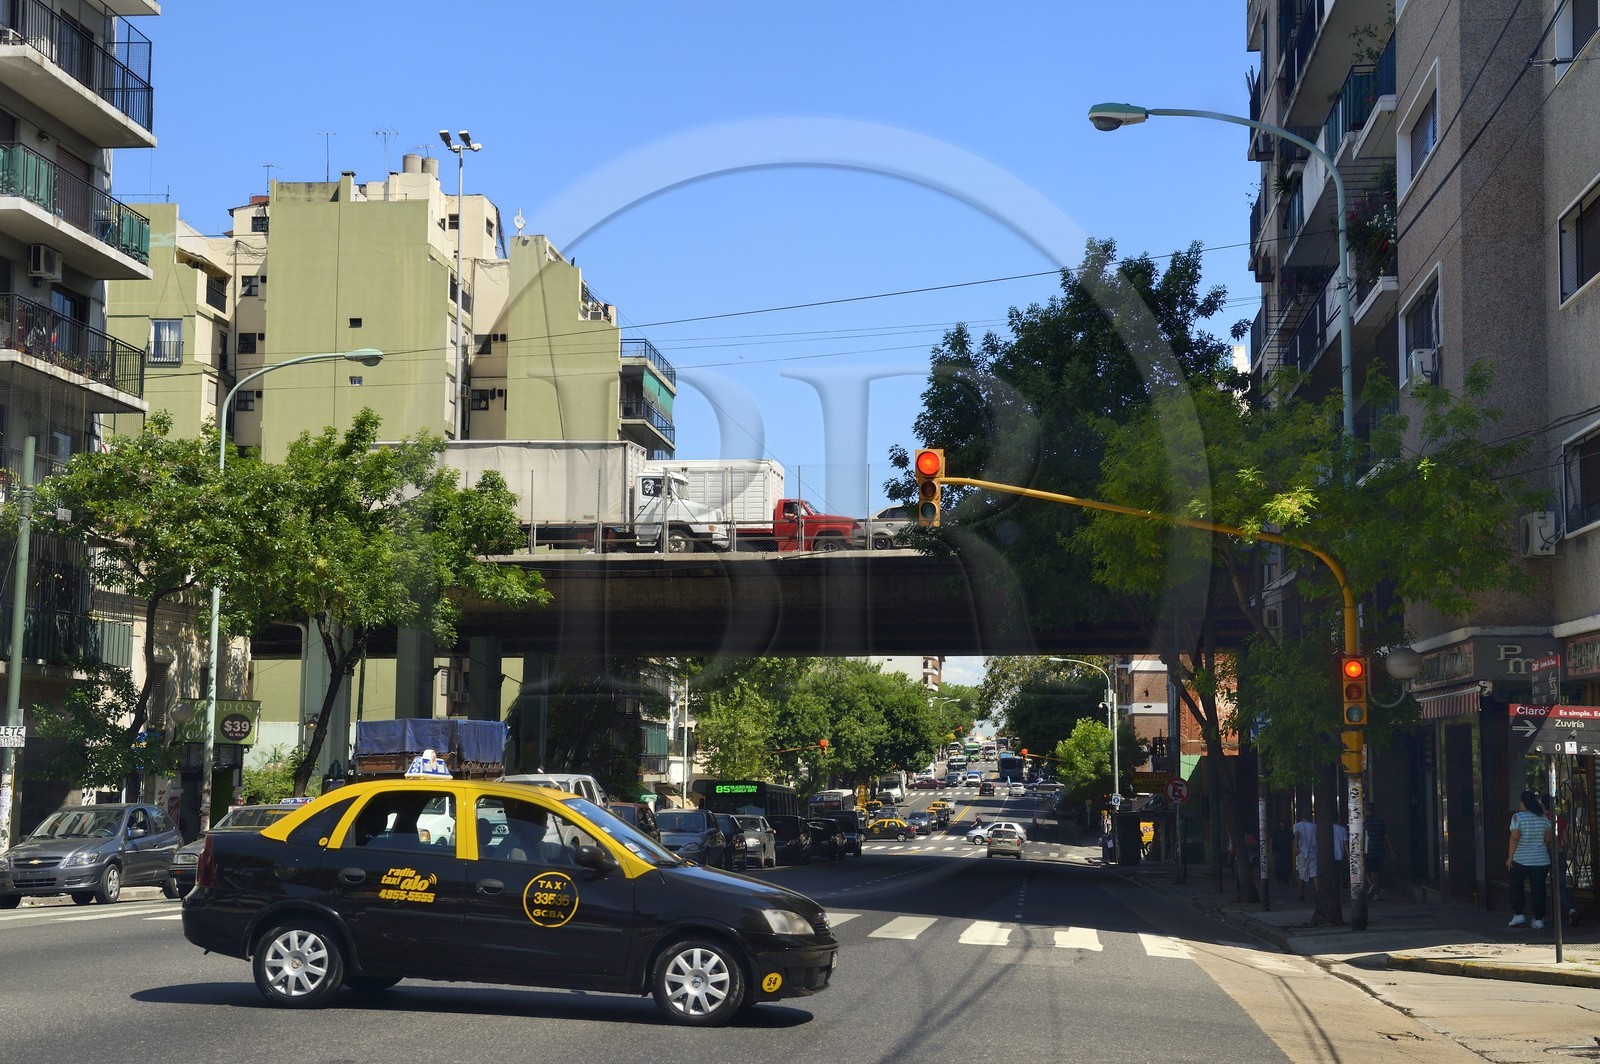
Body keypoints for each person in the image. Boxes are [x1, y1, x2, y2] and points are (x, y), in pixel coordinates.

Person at [1507, 790, 1553, 929]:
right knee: (1539, 889)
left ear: (1523, 803)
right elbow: (1548, 840)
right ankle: (1538, 919)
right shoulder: (1544, 818)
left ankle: (1519, 915)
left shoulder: (1517, 818)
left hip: (1521, 859)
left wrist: (1510, 857)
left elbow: (1514, 838)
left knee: (1516, 886)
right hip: (1541, 860)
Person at [1364, 804, 1396, 900]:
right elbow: (1386, 836)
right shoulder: (1380, 822)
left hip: (1368, 849)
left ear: (1366, 810)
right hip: (1379, 848)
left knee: (1366, 869)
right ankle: (1375, 890)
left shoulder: (1364, 822)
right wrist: (1391, 850)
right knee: (1377, 870)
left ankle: (1372, 886)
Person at [1293, 812, 1318, 901]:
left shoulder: (1297, 826)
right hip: (1313, 853)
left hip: (1302, 853)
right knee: (1315, 874)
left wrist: (1296, 847)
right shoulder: (1314, 826)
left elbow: (1296, 836)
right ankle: (1317, 893)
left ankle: (1301, 894)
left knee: (1301, 875)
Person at [1271, 816, 1294, 887]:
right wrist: (1271, 849)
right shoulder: (1276, 831)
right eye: (1282, 823)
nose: (1283, 824)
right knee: (1278, 866)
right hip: (1279, 851)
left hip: (1286, 851)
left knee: (1286, 867)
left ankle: (1285, 880)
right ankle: (1280, 880)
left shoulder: (1288, 831)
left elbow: (1292, 840)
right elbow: (1272, 840)